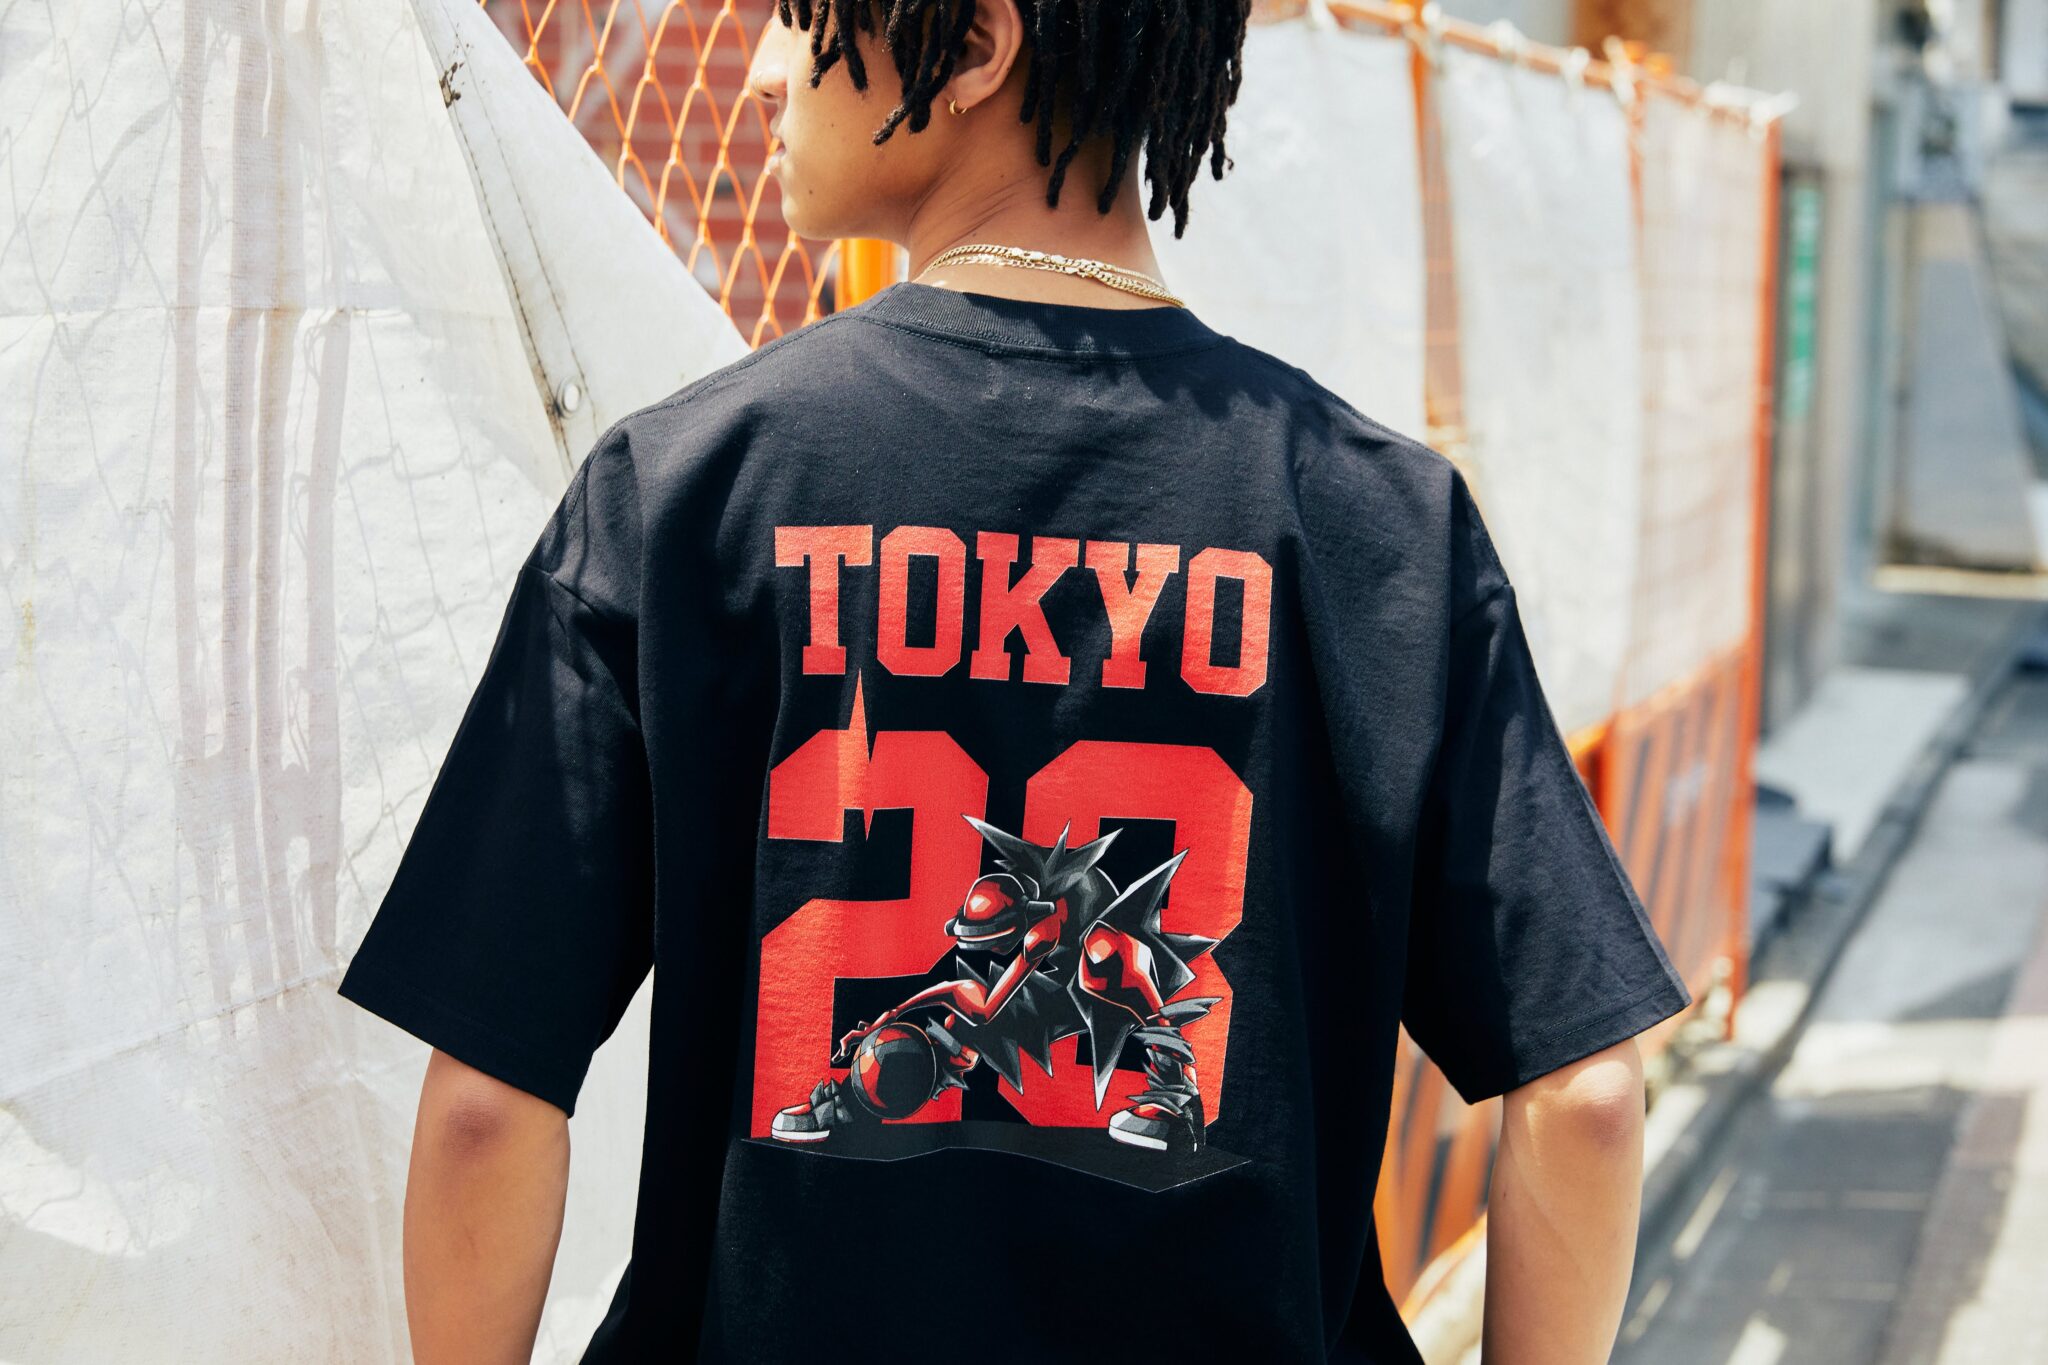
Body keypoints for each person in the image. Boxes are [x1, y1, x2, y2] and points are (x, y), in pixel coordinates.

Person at [335, 0, 1692, 1360]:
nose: (760, 74)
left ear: (978, 47)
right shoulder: (1380, 524)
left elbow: (487, 1104)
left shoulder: (686, 491)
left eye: (797, 17)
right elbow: (1583, 1098)